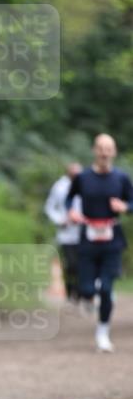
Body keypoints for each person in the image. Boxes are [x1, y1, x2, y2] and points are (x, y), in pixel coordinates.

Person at [66, 134, 133, 353]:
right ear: (95, 150)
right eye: (101, 148)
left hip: (112, 238)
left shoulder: (121, 179)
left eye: (109, 148)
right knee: (86, 288)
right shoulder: (83, 178)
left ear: (114, 152)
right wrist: (72, 211)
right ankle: (88, 294)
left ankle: (102, 332)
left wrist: (125, 207)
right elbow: (69, 198)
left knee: (106, 288)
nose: (104, 152)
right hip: (88, 236)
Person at [44, 162, 82, 302]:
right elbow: (49, 207)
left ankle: (80, 291)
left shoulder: (85, 184)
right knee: (71, 263)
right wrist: (60, 220)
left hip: (85, 231)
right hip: (66, 232)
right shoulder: (59, 187)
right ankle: (70, 289)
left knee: (83, 263)